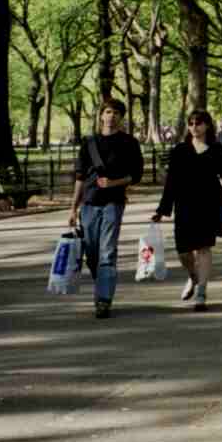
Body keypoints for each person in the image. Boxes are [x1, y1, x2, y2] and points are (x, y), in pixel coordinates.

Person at [151, 110, 222, 312]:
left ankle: (202, 292)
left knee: (204, 248)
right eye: (191, 123)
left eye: (198, 123)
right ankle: (194, 276)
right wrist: (161, 210)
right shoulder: (179, 150)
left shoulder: (216, 150)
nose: (194, 127)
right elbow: (171, 183)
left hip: (209, 205)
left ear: (207, 126)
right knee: (184, 251)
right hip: (185, 205)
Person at [68, 98, 145, 320]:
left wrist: (114, 183)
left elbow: (136, 175)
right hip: (89, 204)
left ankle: (104, 300)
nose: (112, 117)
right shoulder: (89, 142)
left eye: (116, 113)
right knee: (92, 254)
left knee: (107, 252)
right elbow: (80, 177)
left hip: (113, 203)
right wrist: (73, 209)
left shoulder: (129, 143)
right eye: (108, 112)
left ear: (122, 118)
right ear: (101, 115)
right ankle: (102, 282)